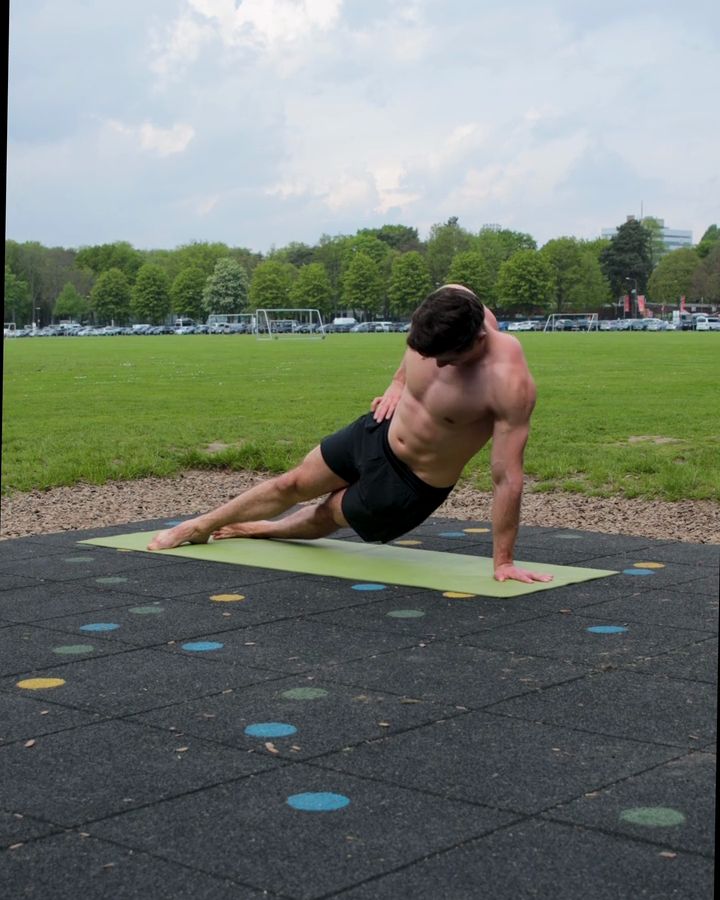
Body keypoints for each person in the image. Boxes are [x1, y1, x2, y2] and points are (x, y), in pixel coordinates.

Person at [148, 284, 552, 584]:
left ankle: (264, 528)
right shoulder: (450, 299)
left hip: (409, 484)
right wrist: (397, 383)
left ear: (477, 340)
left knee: (326, 514)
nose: (434, 364)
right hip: (378, 429)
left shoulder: (508, 384)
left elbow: (507, 478)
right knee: (292, 482)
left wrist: (503, 561)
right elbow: (419, 354)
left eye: (443, 359)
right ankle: (198, 526)